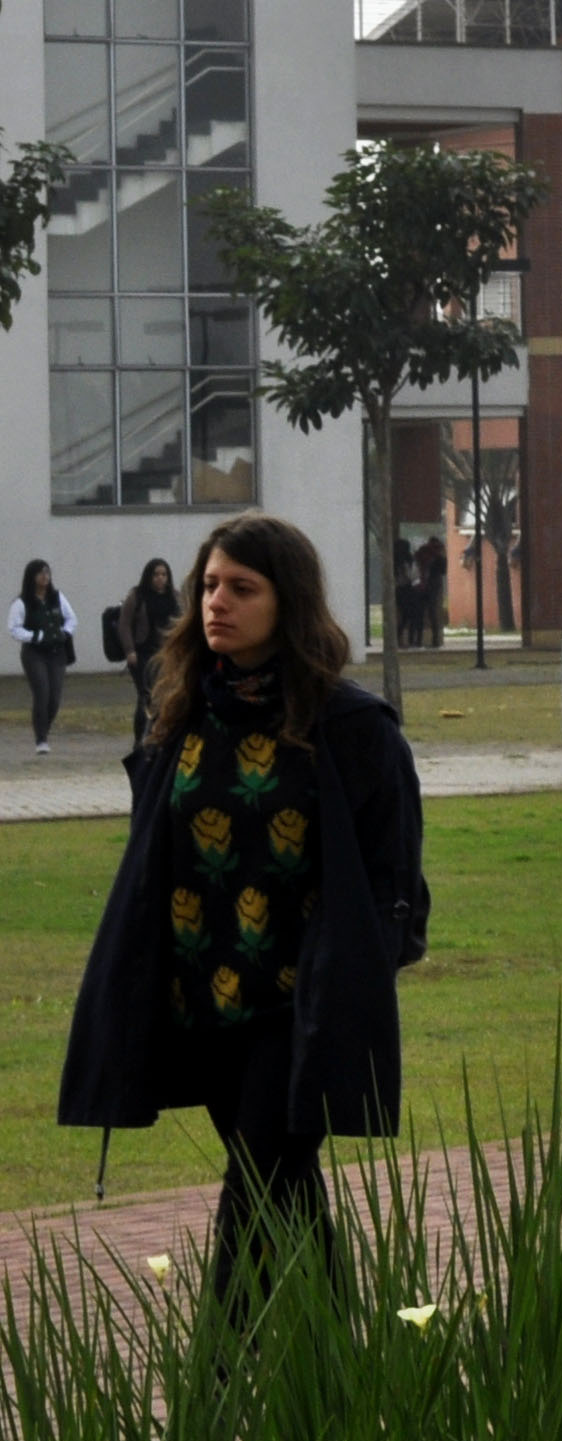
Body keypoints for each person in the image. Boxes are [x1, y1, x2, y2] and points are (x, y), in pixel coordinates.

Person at [61, 514, 426, 1299]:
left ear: (286, 601)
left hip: (299, 1016)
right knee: (287, 1204)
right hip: (204, 1006)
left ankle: (211, 1397)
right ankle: (341, 1389)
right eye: (209, 587)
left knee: (256, 1192)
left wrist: (354, 980)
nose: (215, 603)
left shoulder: (353, 728)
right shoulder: (184, 716)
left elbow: (395, 888)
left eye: (241, 588)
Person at [12, 561, 73, 755]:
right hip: (34, 653)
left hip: (57, 652)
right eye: (40, 573)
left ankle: (43, 728)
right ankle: (41, 739)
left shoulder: (57, 597)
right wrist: (34, 636)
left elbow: (72, 618)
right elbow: (13, 628)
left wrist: (65, 632)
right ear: (31, 577)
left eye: (47, 572)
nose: (44, 577)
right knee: (42, 693)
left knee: (54, 698)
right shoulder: (22, 602)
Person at [116, 556, 182, 714]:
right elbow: (124, 624)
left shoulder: (174, 596)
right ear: (148, 576)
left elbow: (182, 622)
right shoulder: (137, 595)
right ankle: (142, 735)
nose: (160, 578)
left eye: (164, 574)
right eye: (156, 574)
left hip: (166, 652)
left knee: (165, 693)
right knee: (146, 695)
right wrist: (129, 650)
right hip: (143, 652)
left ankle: (160, 732)